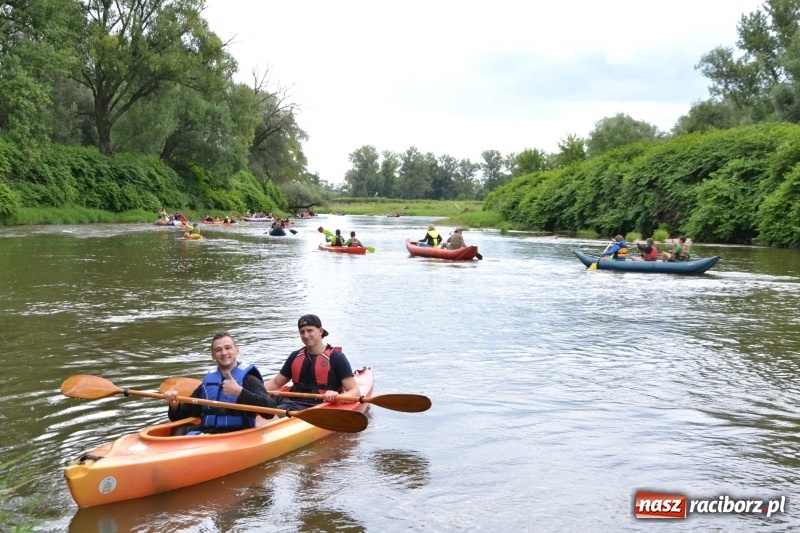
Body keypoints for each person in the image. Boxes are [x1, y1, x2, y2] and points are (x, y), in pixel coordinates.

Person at [164, 332, 276, 434]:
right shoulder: (207, 383)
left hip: (238, 435)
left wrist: (239, 392)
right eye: (218, 350)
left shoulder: (250, 379)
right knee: (178, 430)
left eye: (228, 348)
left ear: (237, 350)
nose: (224, 353)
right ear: (212, 355)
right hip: (210, 433)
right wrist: (175, 405)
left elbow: (270, 411)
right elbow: (183, 415)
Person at [264, 315, 360, 411]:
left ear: (320, 331)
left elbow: (355, 392)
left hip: (323, 406)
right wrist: (255, 390)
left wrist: (336, 395)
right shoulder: (295, 356)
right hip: (292, 404)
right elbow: (276, 382)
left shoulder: (336, 358)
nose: (305, 335)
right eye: (302, 332)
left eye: (310, 330)